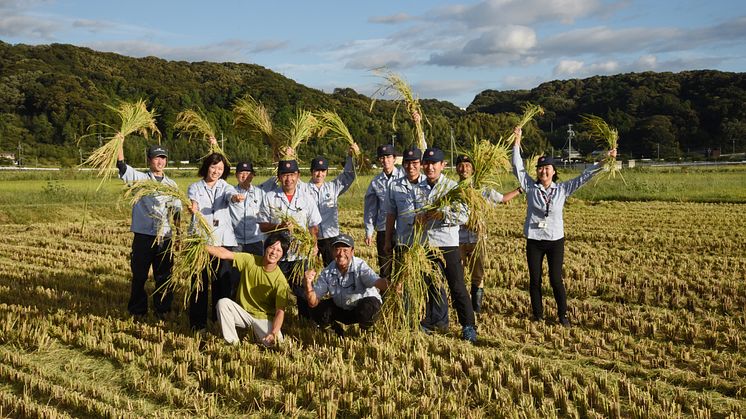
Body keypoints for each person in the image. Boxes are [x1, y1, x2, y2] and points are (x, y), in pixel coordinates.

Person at [512, 127, 617, 326]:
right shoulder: (530, 187)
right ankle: (538, 315)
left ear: (554, 171)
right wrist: (517, 141)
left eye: (547, 168)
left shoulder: (562, 189)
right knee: (535, 280)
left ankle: (563, 315)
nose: (543, 171)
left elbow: (585, 176)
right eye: (540, 168)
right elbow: (517, 167)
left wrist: (605, 159)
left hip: (554, 240)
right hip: (534, 239)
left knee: (555, 279)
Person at [385, 147, 477, 343]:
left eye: (434, 163)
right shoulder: (418, 190)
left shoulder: (453, 188)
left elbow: (463, 216)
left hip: (447, 244)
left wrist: (442, 214)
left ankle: (468, 325)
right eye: (426, 163)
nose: (430, 167)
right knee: (430, 285)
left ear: (442, 165)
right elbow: (411, 214)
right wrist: (418, 218)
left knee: (457, 286)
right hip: (426, 245)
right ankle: (432, 321)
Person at [117, 144, 181, 319]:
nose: (160, 161)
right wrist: (120, 143)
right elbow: (121, 165)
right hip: (144, 236)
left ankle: (163, 309)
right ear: (149, 160)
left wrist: (179, 235)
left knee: (164, 276)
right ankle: (138, 310)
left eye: (163, 158)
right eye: (156, 157)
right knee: (139, 275)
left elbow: (176, 212)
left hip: (165, 237)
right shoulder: (140, 179)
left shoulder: (172, 184)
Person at [455, 154, 522, 313]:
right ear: (457, 168)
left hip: (478, 239)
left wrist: (520, 190)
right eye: (460, 165)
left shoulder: (484, 190)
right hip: (458, 238)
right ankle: (462, 305)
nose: (464, 168)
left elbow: (503, 199)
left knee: (477, 275)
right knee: (458, 274)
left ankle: (476, 308)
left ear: (473, 169)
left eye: (467, 165)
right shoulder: (453, 189)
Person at [257, 158, 321, 318]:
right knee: (272, 288)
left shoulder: (306, 198)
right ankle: (269, 320)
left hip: (300, 253)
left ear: (298, 175)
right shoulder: (270, 197)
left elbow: (314, 225)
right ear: (278, 177)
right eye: (284, 175)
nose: (289, 179)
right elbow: (262, 226)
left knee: (302, 289)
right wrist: (280, 226)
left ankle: (306, 321)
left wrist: (314, 244)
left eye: (292, 174)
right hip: (277, 254)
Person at [187, 151, 242, 331]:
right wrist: (192, 207)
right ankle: (198, 323)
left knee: (223, 284)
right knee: (199, 283)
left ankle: (220, 322)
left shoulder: (225, 186)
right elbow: (193, 202)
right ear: (207, 167)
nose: (216, 171)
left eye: (220, 168)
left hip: (223, 242)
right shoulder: (195, 187)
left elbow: (230, 196)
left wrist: (235, 198)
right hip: (200, 242)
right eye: (213, 167)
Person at [207, 232, 290, 346]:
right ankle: (233, 344)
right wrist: (202, 246)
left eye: (278, 250)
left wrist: (274, 333)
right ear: (265, 248)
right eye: (272, 247)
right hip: (243, 313)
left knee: (278, 345)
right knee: (223, 303)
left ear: (282, 256)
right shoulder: (250, 260)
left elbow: (280, 311)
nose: (274, 252)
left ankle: (259, 336)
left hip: (263, 318)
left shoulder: (280, 281)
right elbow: (225, 254)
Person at [303, 233, 388, 336]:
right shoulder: (327, 272)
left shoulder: (360, 267)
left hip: (360, 309)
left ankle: (367, 333)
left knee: (369, 306)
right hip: (342, 309)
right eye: (337, 249)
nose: (341, 254)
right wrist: (308, 284)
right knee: (316, 309)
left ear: (352, 251)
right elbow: (313, 302)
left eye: (345, 250)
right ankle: (337, 334)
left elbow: (377, 282)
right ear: (333, 251)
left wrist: (391, 285)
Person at [306, 145, 358, 266]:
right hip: (310, 238)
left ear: (327, 172)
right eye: (317, 171)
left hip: (331, 237)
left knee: (332, 269)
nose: (320, 174)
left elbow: (348, 176)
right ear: (311, 172)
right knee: (308, 269)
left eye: (323, 171)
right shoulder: (303, 189)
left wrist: (351, 157)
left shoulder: (332, 187)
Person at [363, 144, 404, 278]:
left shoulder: (404, 176)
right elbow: (371, 208)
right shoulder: (376, 182)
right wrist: (369, 231)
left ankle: (400, 297)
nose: (385, 160)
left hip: (402, 229)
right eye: (382, 158)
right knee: (385, 270)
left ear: (394, 159)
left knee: (402, 269)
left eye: (388, 157)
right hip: (383, 229)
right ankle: (386, 297)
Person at [229, 161, 265, 256]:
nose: (245, 176)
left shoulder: (260, 193)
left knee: (255, 269)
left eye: (248, 173)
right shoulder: (230, 192)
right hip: (235, 241)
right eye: (241, 173)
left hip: (255, 240)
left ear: (252, 175)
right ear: (236, 175)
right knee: (235, 269)